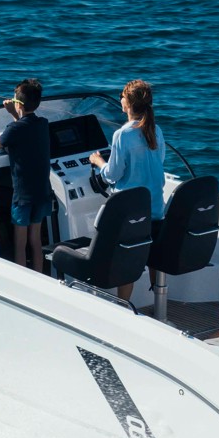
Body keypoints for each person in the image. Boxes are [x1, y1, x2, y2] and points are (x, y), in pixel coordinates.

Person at [89, 78, 166, 300]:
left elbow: (112, 175)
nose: (120, 99)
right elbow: (159, 161)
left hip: (132, 215)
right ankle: (156, 303)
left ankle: (123, 307)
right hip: (156, 211)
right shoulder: (156, 130)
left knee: (126, 262)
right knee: (150, 252)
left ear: (128, 103)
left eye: (122, 96)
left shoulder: (122, 135)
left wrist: (98, 162)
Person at [0, 79, 53, 273]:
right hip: (42, 193)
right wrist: (13, 113)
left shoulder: (14, 129)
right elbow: (25, 128)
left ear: (19, 104)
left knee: (20, 243)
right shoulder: (42, 124)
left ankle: (23, 280)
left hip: (23, 197)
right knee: (35, 241)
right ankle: (40, 277)